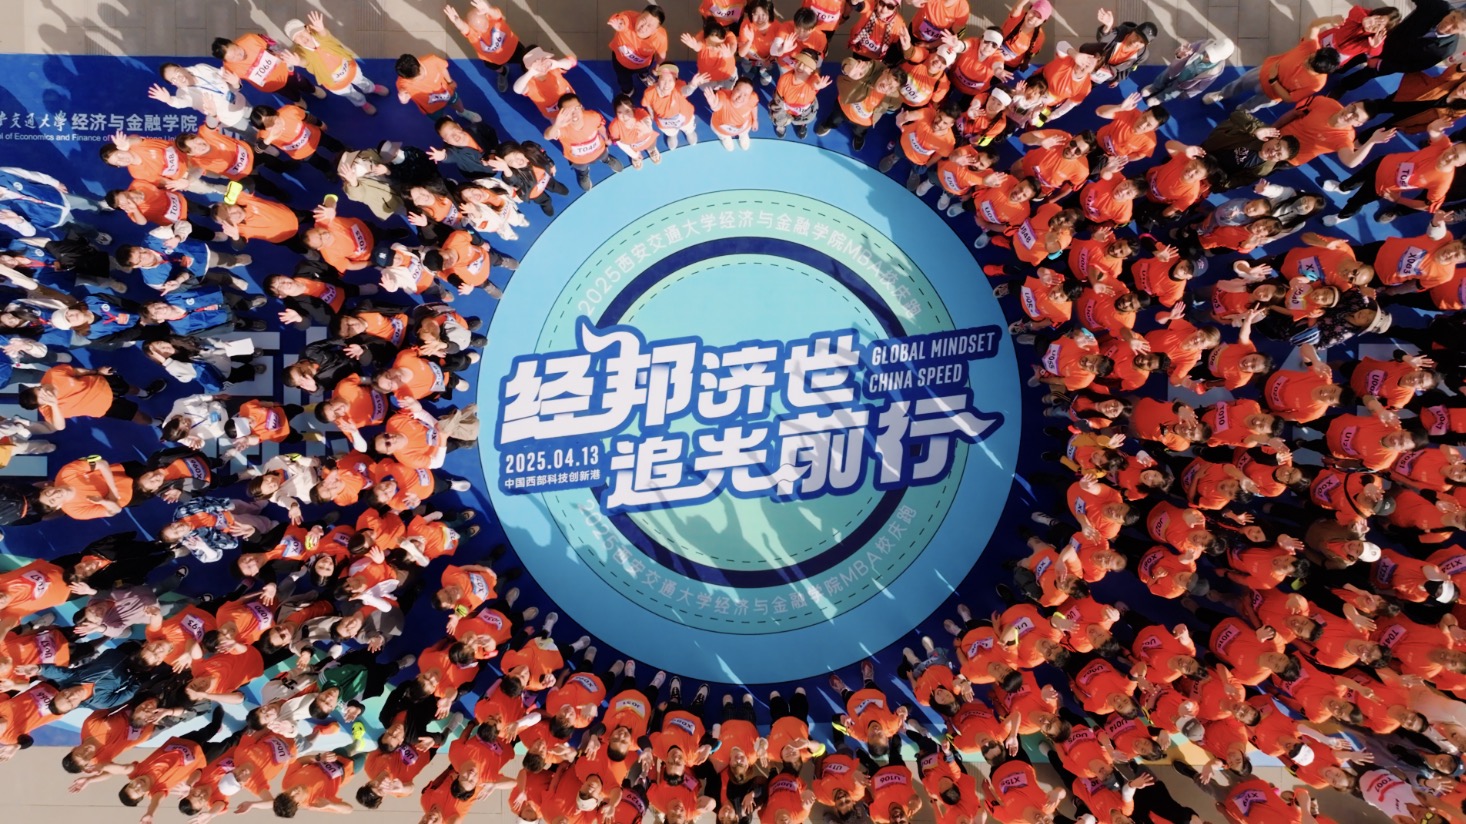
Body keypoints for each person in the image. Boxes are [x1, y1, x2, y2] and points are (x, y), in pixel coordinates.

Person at [284, 13, 388, 114]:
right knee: (350, 93)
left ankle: (371, 88)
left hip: (349, 68)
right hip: (335, 82)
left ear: (308, 29)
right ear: (295, 42)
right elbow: (305, 62)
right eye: (297, 37)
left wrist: (322, 30)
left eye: (302, 33)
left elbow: (326, 36)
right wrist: (298, 62)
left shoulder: (319, 35)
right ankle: (362, 103)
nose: (302, 38)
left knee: (360, 79)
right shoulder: (300, 52)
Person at [544, 94, 624, 191]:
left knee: (604, 156)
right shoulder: (561, 128)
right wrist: (557, 124)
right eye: (569, 111)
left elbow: (600, 127)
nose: (574, 114)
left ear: (581, 107)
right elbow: (547, 136)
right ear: (561, 113)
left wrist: (606, 138)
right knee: (582, 168)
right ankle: (584, 174)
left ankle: (607, 160)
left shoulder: (593, 116)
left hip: (600, 150)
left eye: (576, 108)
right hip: (578, 160)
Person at [445, 1, 527, 93]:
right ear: (473, 27)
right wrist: (457, 21)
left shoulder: (495, 20)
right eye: (479, 28)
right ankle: (504, 72)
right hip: (493, 60)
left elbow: (496, 14)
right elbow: (464, 28)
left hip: (514, 50)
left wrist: (488, 9)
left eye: (485, 25)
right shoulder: (473, 34)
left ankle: (527, 73)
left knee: (525, 61)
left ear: (487, 17)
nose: (484, 30)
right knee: (494, 67)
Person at [395, 52, 483, 123]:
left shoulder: (432, 60)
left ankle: (462, 112)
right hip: (431, 108)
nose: (421, 78)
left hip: (448, 92)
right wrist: (402, 96)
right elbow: (404, 100)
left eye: (420, 74)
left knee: (457, 102)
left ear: (418, 62)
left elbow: (443, 69)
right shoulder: (403, 84)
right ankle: (447, 121)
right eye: (415, 78)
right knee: (441, 120)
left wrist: (450, 81)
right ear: (405, 77)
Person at [608, 5, 669, 94]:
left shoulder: (660, 37)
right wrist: (619, 23)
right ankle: (628, 91)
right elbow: (621, 19)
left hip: (644, 64)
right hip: (621, 63)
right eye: (643, 20)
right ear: (639, 15)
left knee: (644, 72)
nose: (643, 27)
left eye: (649, 26)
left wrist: (658, 65)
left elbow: (661, 53)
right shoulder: (628, 18)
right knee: (624, 81)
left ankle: (643, 77)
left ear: (656, 30)